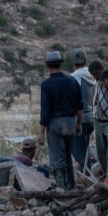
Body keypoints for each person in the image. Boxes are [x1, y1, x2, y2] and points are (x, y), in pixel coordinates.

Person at [38, 51, 83, 191]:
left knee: (58, 160)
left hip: (56, 124)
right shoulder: (72, 81)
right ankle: (72, 187)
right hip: (71, 122)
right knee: (68, 157)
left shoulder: (46, 85)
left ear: (47, 66)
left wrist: (41, 133)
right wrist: (79, 123)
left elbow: (45, 111)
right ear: (61, 64)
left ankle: (62, 190)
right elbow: (79, 105)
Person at [70, 48, 95, 172]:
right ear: (85, 60)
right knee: (85, 153)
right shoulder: (92, 76)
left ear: (72, 62)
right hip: (92, 117)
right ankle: (89, 175)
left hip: (80, 119)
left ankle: (85, 182)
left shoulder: (74, 77)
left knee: (79, 155)